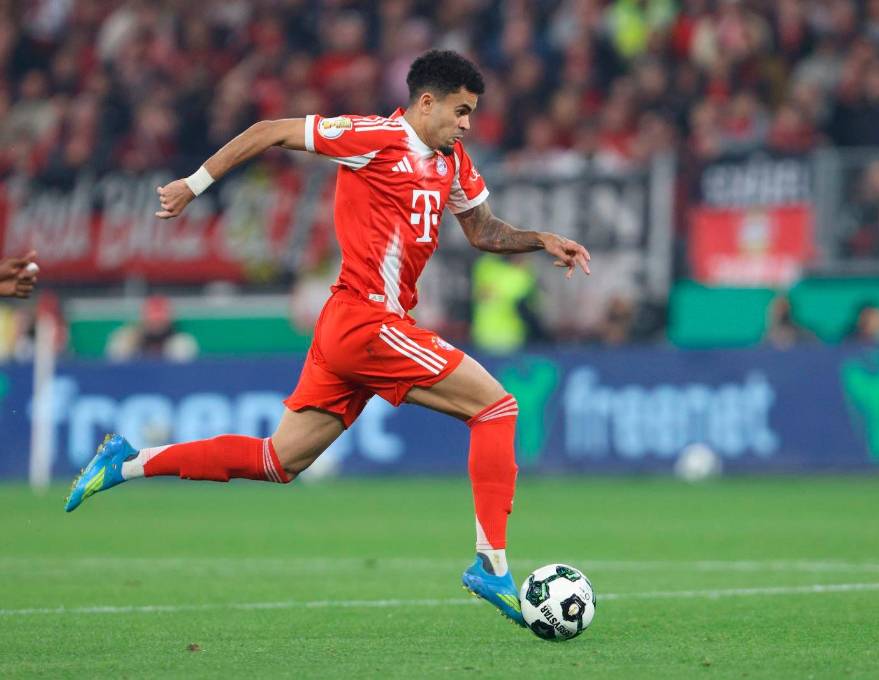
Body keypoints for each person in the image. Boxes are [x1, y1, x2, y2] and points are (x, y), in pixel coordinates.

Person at [64, 50, 591, 627]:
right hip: (369, 322)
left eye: (472, 113)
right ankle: (491, 564)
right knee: (496, 408)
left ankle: (127, 461)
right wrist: (194, 185)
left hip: (354, 327)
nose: (468, 124)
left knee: (278, 459)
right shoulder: (372, 136)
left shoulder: (454, 161)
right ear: (426, 102)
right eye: (461, 111)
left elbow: (484, 229)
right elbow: (270, 131)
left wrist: (541, 239)